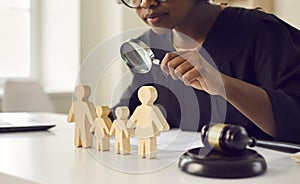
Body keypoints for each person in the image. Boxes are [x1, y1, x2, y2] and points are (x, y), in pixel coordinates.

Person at [115, 0, 300, 144]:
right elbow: (129, 110)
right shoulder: (148, 47)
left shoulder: (263, 31)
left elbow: (294, 121)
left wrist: (221, 83)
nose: (146, 3)